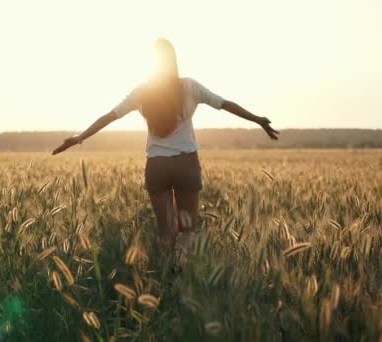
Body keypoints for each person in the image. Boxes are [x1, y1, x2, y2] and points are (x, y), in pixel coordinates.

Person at [52, 38, 279, 254]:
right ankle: (180, 280)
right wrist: (258, 120)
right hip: (186, 164)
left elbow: (109, 116)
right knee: (187, 233)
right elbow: (225, 104)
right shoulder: (189, 86)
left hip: (157, 166)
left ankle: (163, 282)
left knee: (165, 234)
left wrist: (79, 137)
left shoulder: (142, 92)